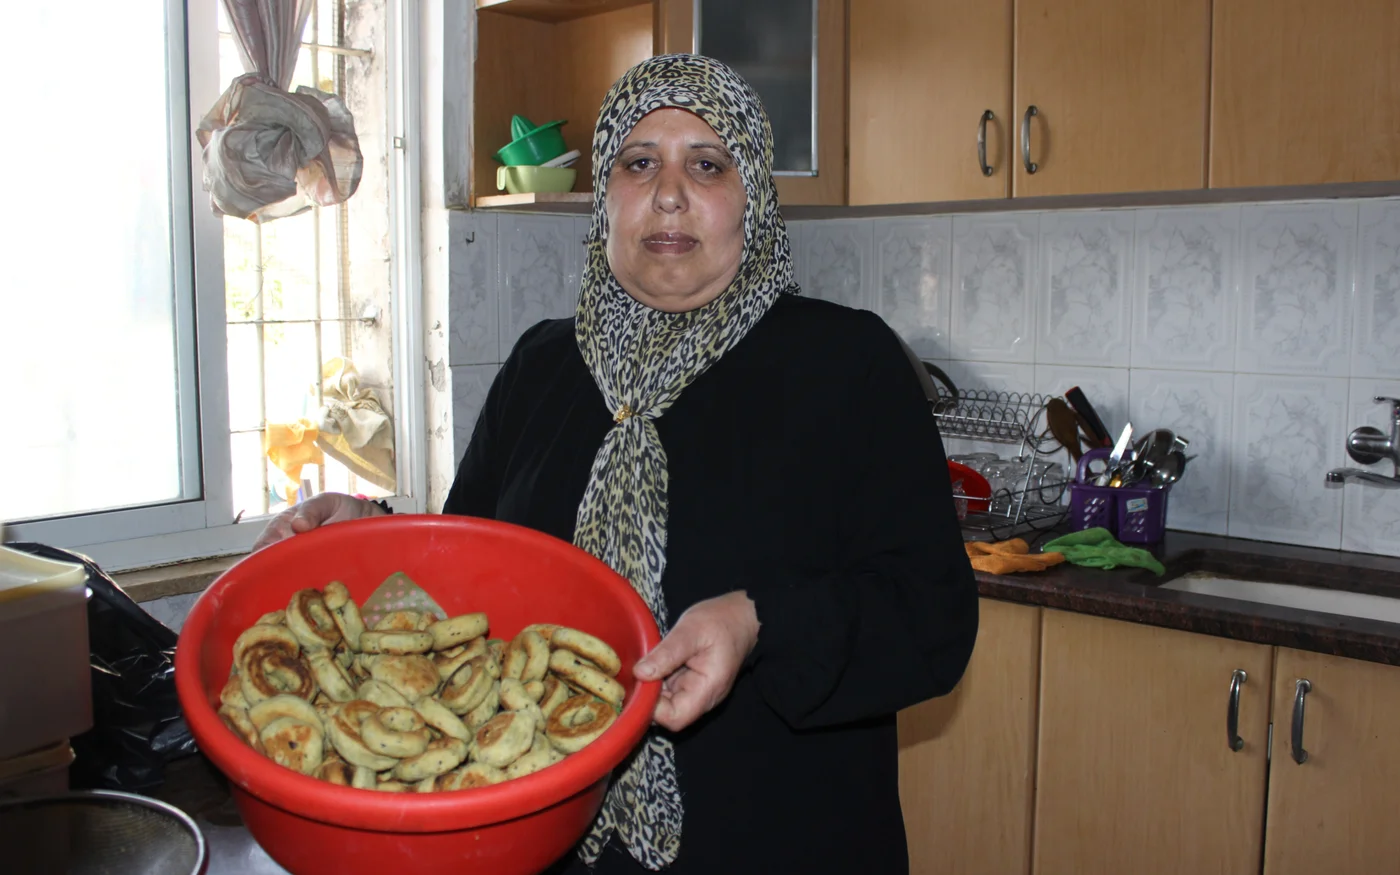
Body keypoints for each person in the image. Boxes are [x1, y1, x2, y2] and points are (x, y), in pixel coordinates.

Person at [253, 54, 978, 874]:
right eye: (639, 163)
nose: (668, 194)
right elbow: (471, 584)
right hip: (557, 845)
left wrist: (760, 621)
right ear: (604, 196)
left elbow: (932, 616)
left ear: (754, 197)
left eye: (707, 164)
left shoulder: (847, 365)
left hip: (784, 841)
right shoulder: (542, 366)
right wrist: (369, 535)